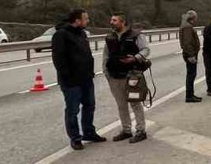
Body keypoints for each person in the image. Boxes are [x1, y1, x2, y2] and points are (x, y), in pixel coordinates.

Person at [51, 8, 105, 150]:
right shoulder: (61, 35)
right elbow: (59, 59)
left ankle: (89, 132)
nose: (88, 21)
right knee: (73, 110)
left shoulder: (81, 33)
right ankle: (75, 138)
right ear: (77, 20)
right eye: (85, 19)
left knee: (89, 106)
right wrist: (67, 77)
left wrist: (90, 72)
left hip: (86, 78)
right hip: (71, 81)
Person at [105, 13, 151, 143]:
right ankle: (126, 130)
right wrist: (106, 72)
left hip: (132, 75)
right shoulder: (110, 37)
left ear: (123, 22)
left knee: (135, 103)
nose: (111, 22)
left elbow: (146, 50)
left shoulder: (136, 35)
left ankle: (141, 130)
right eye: (111, 19)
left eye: (114, 20)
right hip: (114, 76)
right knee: (121, 105)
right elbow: (106, 55)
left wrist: (135, 58)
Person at [180, 10, 202, 104]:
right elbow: (187, 42)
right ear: (192, 18)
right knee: (191, 75)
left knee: (191, 74)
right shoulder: (187, 27)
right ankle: (189, 96)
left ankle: (191, 94)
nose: (196, 19)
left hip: (191, 53)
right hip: (190, 54)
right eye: (195, 17)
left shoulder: (186, 25)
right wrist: (191, 55)